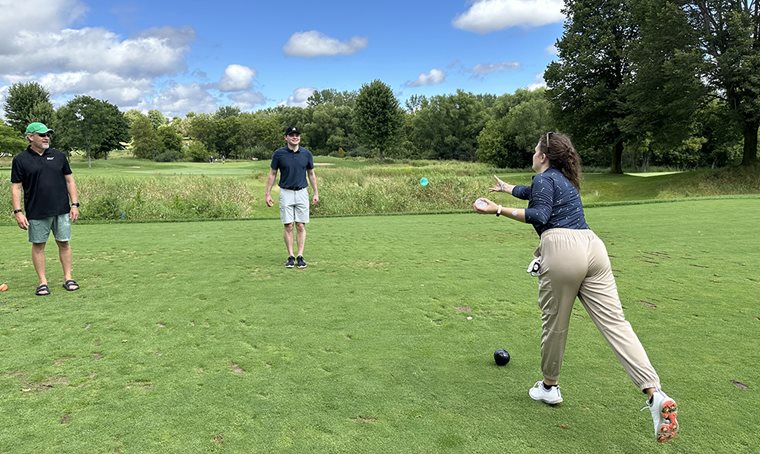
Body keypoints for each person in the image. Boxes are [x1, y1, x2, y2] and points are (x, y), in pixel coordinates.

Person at [473, 132, 678, 443]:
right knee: (616, 324)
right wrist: (505, 189)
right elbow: (533, 192)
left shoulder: (544, 179)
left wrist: (498, 210)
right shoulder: (563, 180)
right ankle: (655, 394)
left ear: (543, 156)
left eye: (535, 151)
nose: (533, 154)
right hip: (593, 248)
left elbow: (539, 213)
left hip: (561, 249)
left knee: (555, 326)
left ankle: (549, 387)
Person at [11, 122, 81, 296]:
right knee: (38, 246)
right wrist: (18, 211)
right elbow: (16, 187)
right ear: (30, 137)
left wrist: (74, 204)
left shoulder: (59, 156)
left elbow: (69, 181)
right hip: (36, 211)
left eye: (48, 134)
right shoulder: (20, 160)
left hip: (62, 209)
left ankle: (68, 278)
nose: (46, 137)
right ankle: (43, 282)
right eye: (42, 134)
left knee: (64, 243)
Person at [264, 126, 319, 268]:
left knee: (300, 225)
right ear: (286, 137)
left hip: (302, 192)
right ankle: (290, 256)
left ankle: (300, 256)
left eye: (297, 135)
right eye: (291, 135)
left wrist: (316, 192)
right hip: (286, 192)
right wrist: (268, 193)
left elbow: (311, 174)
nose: (295, 137)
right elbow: (272, 174)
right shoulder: (279, 154)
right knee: (288, 225)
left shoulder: (306, 154)